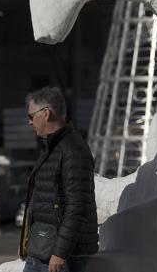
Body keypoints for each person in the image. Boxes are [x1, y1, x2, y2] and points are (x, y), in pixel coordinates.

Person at [19, 86, 98, 272]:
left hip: (60, 258)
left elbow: (77, 206)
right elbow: (42, 204)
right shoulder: (51, 147)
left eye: (31, 116)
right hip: (41, 250)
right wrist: (28, 243)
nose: (29, 122)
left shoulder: (73, 150)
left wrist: (60, 253)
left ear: (46, 113)